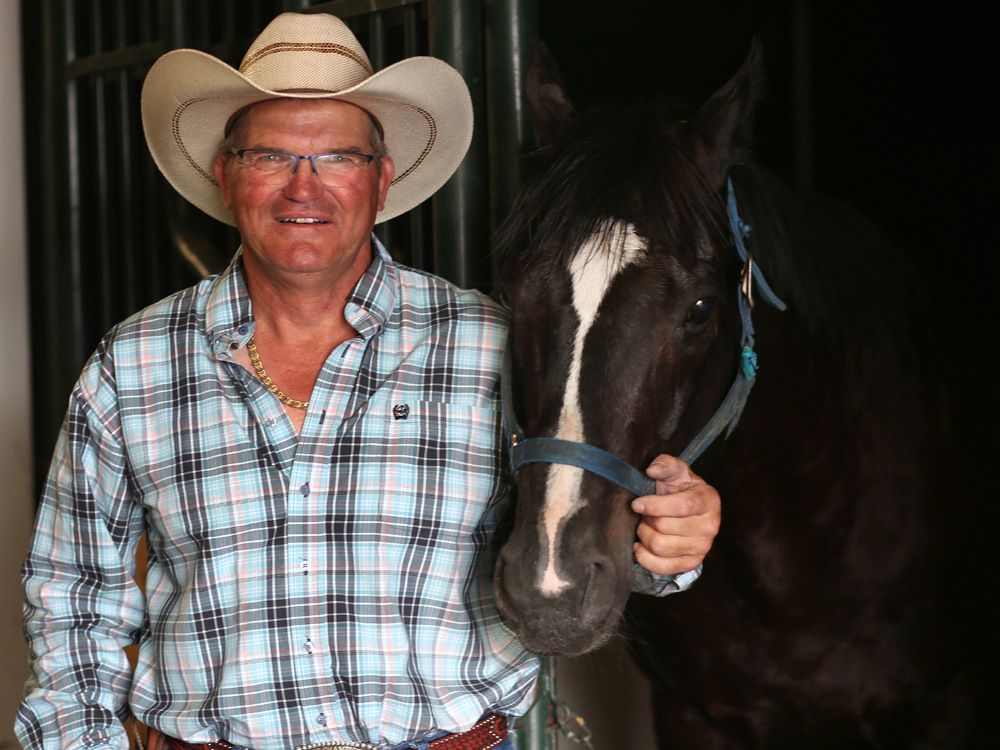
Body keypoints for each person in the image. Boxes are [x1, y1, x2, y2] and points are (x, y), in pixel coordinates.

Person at [16, 13, 721, 750]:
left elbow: (590, 500)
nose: (304, 187)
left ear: (382, 181)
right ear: (226, 176)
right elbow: (73, 606)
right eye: (270, 155)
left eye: (338, 158)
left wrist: (672, 535)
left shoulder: (495, 344)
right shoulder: (132, 366)